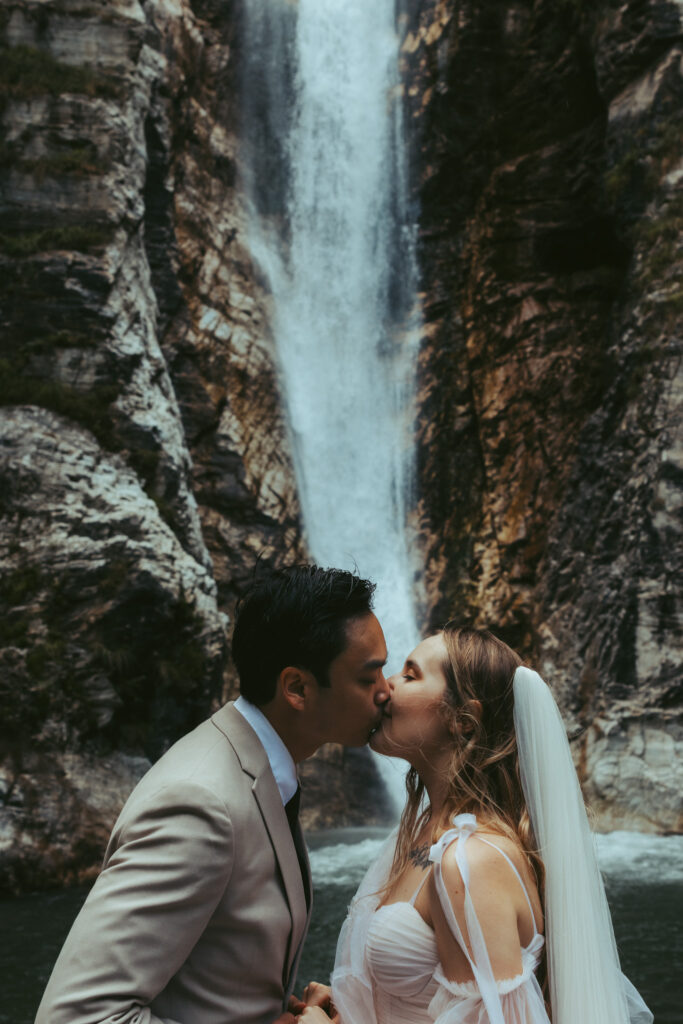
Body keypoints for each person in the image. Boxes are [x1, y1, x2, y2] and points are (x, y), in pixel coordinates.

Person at [35, 564, 390, 1024]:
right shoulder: (200, 804)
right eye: (368, 677)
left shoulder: (258, 765)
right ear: (297, 688)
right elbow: (76, 1017)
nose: (386, 692)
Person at [297, 625, 653, 1024]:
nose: (385, 687)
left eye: (410, 675)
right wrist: (350, 1007)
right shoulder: (422, 830)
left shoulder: (472, 862)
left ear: (464, 720)